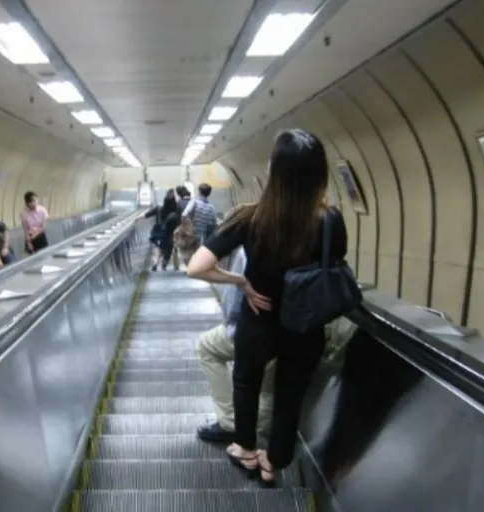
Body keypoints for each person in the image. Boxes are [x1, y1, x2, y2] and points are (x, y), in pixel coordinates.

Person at [186, 129, 348, 486]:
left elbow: (196, 266)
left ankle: (244, 449)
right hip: (305, 325)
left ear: (273, 171)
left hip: (259, 321)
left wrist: (241, 282)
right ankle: (273, 462)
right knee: (291, 393)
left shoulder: (250, 217)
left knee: (245, 382)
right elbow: (332, 265)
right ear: (320, 174)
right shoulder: (331, 220)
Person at [196, 246, 276, 443]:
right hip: (295, 332)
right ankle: (261, 426)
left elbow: (233, 305)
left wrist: (231, 325)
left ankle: (230, 424)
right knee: (268, 378)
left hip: (255, 331)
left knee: (207, 346)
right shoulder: (305, 239)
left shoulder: (249, 251)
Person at [142, 189, 179, 271]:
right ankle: (164, 264)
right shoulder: (177, 211)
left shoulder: (159, 209)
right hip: (171, 235)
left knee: (158, 248)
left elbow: (146, 215)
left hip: (160, 233)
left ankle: (155, 263)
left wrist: (137, 219)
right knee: (168, 251)